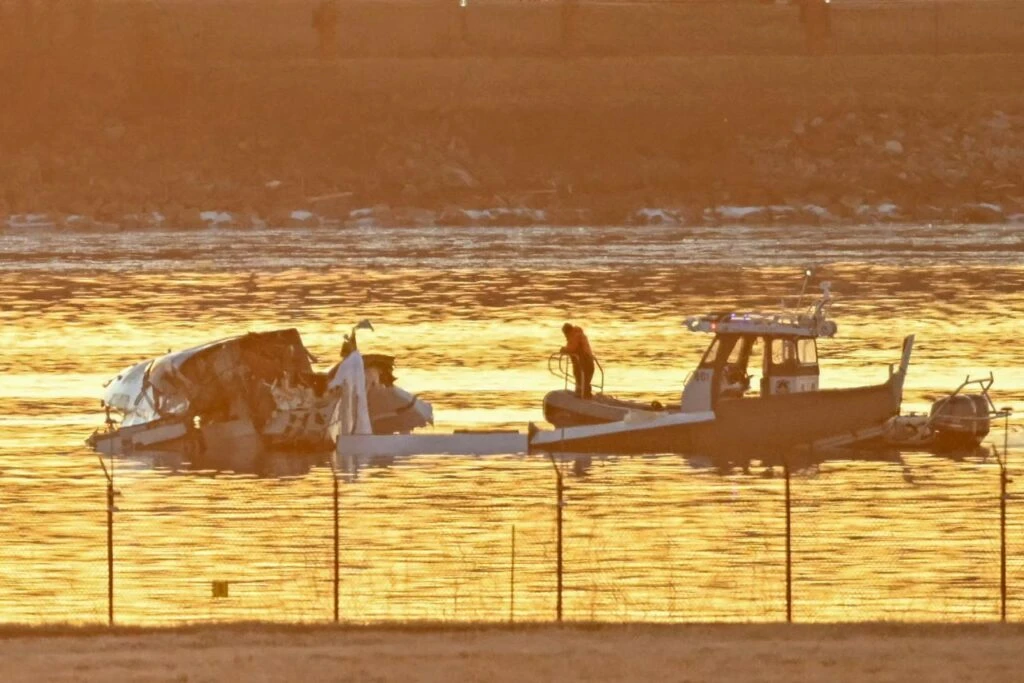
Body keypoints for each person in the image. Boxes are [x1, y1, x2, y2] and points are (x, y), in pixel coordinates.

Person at [560, 322, 595, 399]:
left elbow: (571, 348)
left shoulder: (575, 336)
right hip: (586, 362)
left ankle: (584, 396)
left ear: (567, 331)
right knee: (582, 379)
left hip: (584, 362)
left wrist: (563, 350)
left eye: (565, 334)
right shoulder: (578, 334)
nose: (565, 336)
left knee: (582, 379)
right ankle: (583, 393)